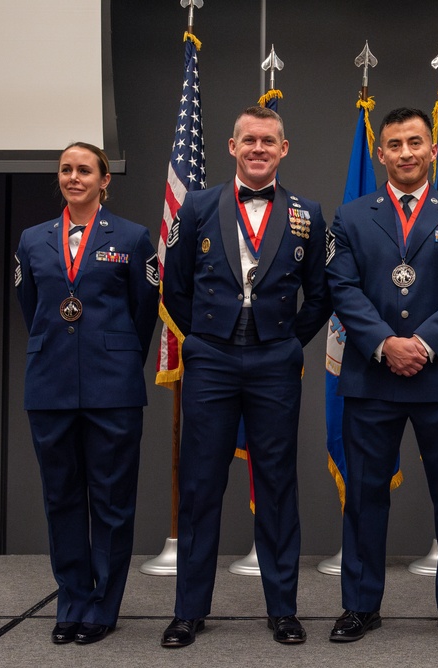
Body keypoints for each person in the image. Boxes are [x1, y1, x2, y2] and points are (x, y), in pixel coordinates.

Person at [159, 106, 331, 648]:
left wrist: (283, 343)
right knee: (200, 485)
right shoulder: (199, 204)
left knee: (278, 485)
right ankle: (189, 610)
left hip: (275, 364)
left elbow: (320, 294)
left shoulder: (306, 212)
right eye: (249, 140)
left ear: (285, 149)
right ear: (232, 147)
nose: (258, 148)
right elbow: (175, 285)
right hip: (210, 360)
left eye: (269, 141)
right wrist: (206, 339)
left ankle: (283, 609)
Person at [325, 107, 438, 646]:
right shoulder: (351, 217)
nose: (405, 153)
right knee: (364, 497)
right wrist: (384, 345)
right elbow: (342, 289)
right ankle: (359, 606)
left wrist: (419, 345)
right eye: (394, 144)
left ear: (431, 150)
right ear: (380, 153)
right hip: (373, 378)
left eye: (414, 142)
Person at [15, 142, 159, 645]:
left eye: (84, 170)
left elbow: (145, 313)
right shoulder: (32, 240)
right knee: (62, 499)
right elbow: (30, 305)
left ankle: (103, 606)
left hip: (113, 388)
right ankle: (72, 600)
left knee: (113, 503)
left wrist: (117, 361)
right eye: (66, 170)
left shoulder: (134, 237)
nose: (74, 177)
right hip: (50, 386)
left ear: (104, 180)